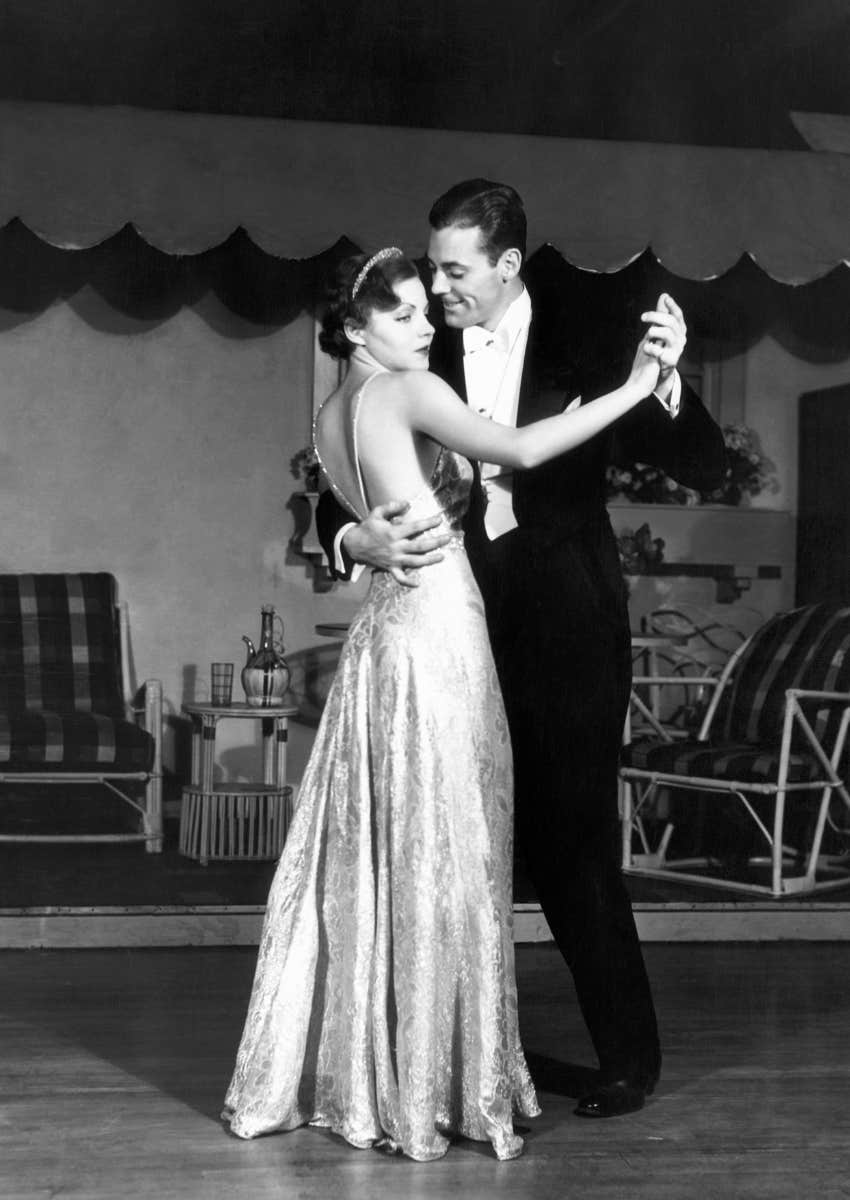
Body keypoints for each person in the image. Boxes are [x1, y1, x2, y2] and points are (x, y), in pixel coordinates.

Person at [223, 246, 678, 1161]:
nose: (427, 321)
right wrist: (637, 385)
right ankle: (437, 1085)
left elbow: (356, 489)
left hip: (387, 639)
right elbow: (522, 449)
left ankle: (394, 1072)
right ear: (355, 327)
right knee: (447, 850)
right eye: (403, 313)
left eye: (427, 307)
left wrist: (356, 533)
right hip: (440, 629)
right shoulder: (410, 389)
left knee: (397, 852)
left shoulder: (329, 413)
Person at [316, 181, 727, 1120]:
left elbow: (706, 465)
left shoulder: (591, 331)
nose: (438, 289)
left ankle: (627, 1060)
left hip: (570, 624)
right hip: (451, 626)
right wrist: (352, 538)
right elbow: (331, 482)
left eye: (455, 271)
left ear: (507, 264)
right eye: (431, 270)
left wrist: (662, 380)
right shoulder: (413, 344)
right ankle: (463, 1059)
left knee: (575, 840)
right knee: (454, 844)